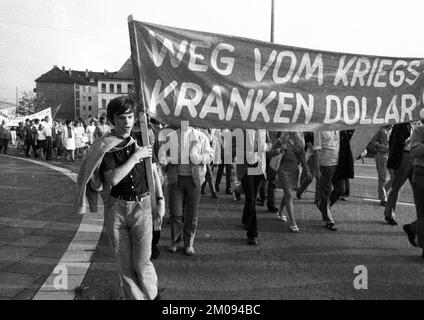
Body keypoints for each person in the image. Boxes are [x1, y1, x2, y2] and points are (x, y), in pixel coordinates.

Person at [74, 96, 164, 300]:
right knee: (124, 266)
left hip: (143, 206)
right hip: (117, 208)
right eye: (122, 118)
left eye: (130, 117)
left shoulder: (143, 140)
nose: (127, 122)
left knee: (142, 263)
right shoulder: (106, 145)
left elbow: (154, 172)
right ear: (113, 119)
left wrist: (160, 200)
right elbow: (113, 178)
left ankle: (153, 297)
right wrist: (135, 157)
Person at [159, 124, 214, 256]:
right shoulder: (171, 137)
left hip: (194, 180)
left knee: (191, 213)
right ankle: (175, 241)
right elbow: (161, 155)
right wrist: (168, 159)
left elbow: (210, 155)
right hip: (175, 179)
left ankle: (189, 243)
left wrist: (198, 158)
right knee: (176, 213)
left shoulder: (201, 137)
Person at [274, 132, 311, 232]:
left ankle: (280, 212)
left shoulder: (300, 142)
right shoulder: (281, 140)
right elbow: (271, 152)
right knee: (289, 194)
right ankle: (293, 222)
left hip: (294, 171)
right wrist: (279, 150)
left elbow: (303, 158)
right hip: (283, 169)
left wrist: (307, 170)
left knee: (288, 193)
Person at [236, 129, 267, 245]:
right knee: (251, 199)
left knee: (252, 198)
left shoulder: (263, 129)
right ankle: (252, 234)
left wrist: (266, 147)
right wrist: (249, 150)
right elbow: (232, 148)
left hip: (259, 166)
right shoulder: (241, 129)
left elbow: (268, 143)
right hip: (246, 167)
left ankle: (245, 219)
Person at [384, 123, 414, 225]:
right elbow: (394, 142)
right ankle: (389, 214)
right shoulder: (402, 123)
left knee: (419, 188)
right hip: (405, 156)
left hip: (417, 157)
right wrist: (395, 163)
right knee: (397, 186)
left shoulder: (419, 124)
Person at [313, 130, 343, 231]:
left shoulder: (338, 126)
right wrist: (317, 170)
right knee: (326, 192)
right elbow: (316, 150)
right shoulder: (319, 129)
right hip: (325, 164)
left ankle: (323, 206)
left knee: (340, 190)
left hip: (338, 163)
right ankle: (328, 220)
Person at [403, 121, 424, 259]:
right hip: (422, 173)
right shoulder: (419, 130)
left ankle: (412, 228)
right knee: (422, 213)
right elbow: (414, 152)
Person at [368, 125, 392, 206]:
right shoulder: (381, 129)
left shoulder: (395, 129)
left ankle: (384, 190)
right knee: (382, 178)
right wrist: (382, 146)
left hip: (392, 156)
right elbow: (372, 142)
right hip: (382, 155)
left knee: (395, 176)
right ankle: (383, 198)